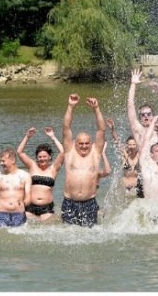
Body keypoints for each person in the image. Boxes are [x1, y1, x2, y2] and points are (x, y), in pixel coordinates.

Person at [60, 94, 106, 227]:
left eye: (87, 143)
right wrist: (70, 106)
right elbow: (66, 128)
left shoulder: (95, 153)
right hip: (69, 201)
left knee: (90, 235)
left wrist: (96, 108)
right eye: (81, 143)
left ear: (91, 143)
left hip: (89, 202)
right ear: (75, 143)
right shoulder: (69, 152)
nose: (84, 146)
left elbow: (101, 130)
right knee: (69, 234)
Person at [16, 126, 64, 221]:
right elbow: (19, 152)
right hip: (30, 207)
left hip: (47, 208)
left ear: (50, 157)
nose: (42, 159)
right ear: (37, 158)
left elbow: (62, 153)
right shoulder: (32, 166)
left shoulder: (53, 168)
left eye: (44, 156)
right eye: (40, 157)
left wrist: (53, 137)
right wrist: (27, 137)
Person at [126, 69, 158, 147]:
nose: (146, 116)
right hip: (144, 159)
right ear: (139, 117)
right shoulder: (137, 129)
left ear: (153, 116)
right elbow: (130, 105)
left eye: (148, 114)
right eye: (143, 115)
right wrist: (133, 84)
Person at [0, 147, 32, 228]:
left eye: (3, 161)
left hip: (19, 214)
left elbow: (28, 196)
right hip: (1, 214)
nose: (1, 164)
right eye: (0, 161)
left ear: (12, 160)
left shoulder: (25, 175)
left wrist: (25, 203)